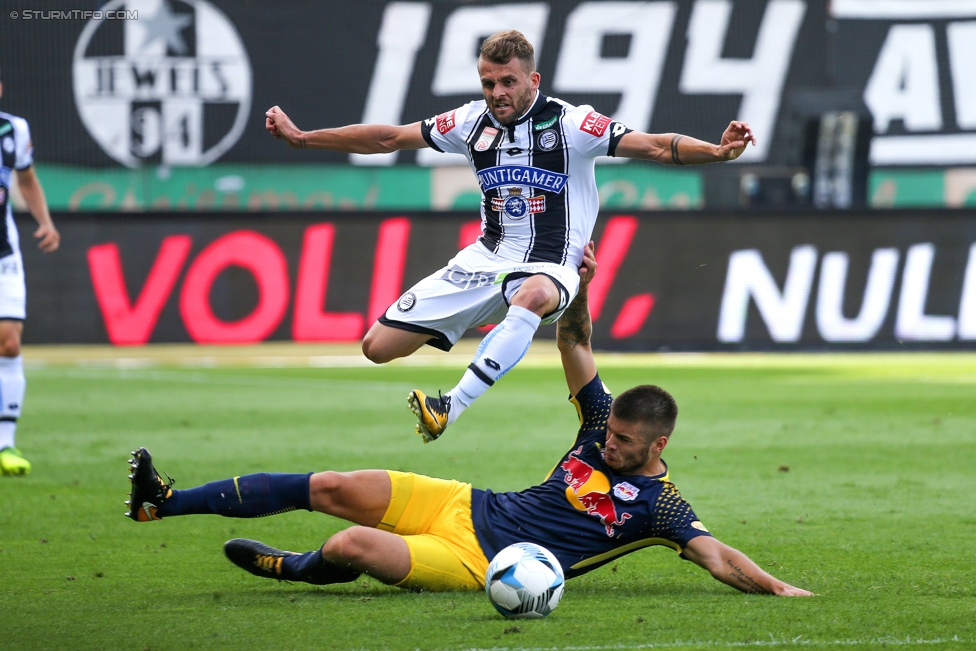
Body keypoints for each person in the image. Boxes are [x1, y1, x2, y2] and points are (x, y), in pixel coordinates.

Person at [124, 245, 811, 597]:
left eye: (625, 442)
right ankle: (164, 502)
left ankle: (297, 568)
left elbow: (717, 555)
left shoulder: (661, 507)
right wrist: (583, 280)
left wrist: (778, 586)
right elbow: (574, 343)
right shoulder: (601, 421)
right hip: (465, 502)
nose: (608, 443)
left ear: (659, 445)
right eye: (609, 433)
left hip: (477, 561)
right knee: (334, 482)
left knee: (351, 544)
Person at [265, 30, 756, 444]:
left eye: (507, 82)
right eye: (487, 83)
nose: (496, 92)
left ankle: (450, 408)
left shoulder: (573, 124)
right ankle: (500, 328)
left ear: (532, 80)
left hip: (552, 264)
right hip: (485, 259)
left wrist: (716, 151)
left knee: (534, 293)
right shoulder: (469, 123)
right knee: (377, 346)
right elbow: (389, 138)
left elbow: (652, 145)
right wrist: (304, 138)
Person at [0, 68, 60, 476]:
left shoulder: (14, 129)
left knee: (9, 343)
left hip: (3, 250)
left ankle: (5, 444)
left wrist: (45, 221)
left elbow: (28, 179)